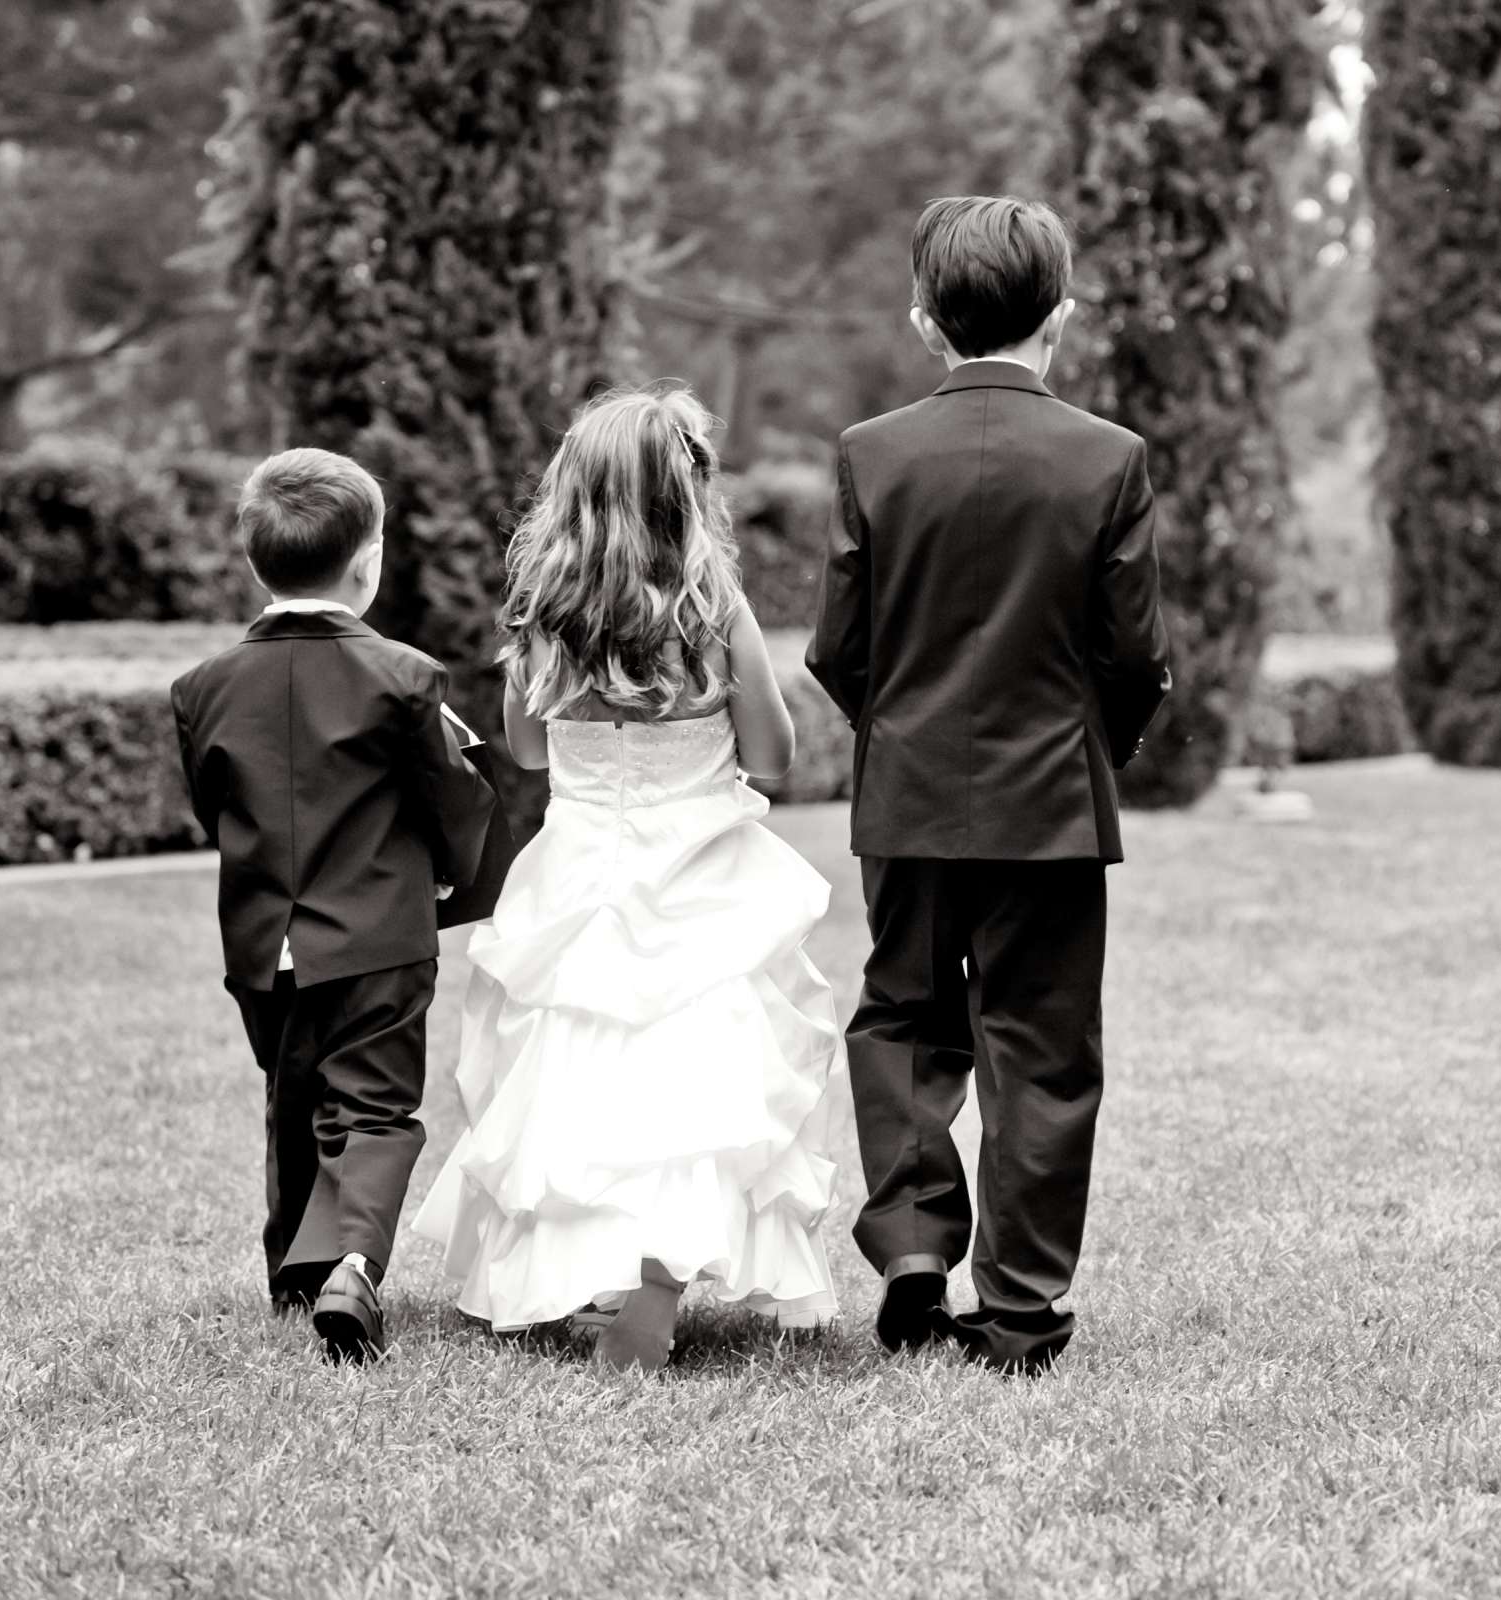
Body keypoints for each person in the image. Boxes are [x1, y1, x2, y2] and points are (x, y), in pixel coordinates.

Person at [807, 195, 1174, 1375]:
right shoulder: (1108, 459)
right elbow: (1135, 660)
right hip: (1054, 809)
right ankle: (1019, 1316)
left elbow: (835, 650)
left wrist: (904, 732)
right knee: (1042, 1051)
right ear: (1059, 317)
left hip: (906, 799)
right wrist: (1082, 748)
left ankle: (916, 1251)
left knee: (905, 1021)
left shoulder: (872, 453)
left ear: (925, 322)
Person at [412, 386, 846, 1372]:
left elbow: (524, 751)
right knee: (691, 1079)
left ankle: (573, 1271)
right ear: (684, 491)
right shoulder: (712, 603)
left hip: (581, 864)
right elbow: (773, 754)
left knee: (576, 1070)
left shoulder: (541, 607)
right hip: (699, 869)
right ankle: (648, 1287)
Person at [171, 448, 499, 1364]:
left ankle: (295, 1268)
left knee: (292, 1094)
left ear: (252, 561)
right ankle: (353, 1264)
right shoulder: (404, 677)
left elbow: (214, 806)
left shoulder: (201, 688)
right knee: (375, 1109)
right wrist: (452, 867)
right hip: (379, 935)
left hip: (262, 940)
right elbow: (452, 800)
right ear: (370, 560)